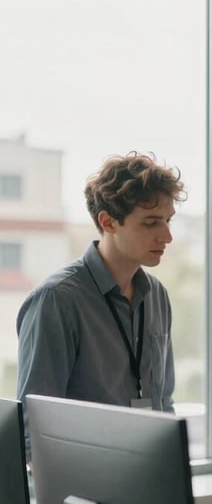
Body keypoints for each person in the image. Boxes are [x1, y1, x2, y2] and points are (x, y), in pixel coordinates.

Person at [17, 151, 184, 455]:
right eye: (151, 223)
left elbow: (164, 401)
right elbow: (34, 425)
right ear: (108, 221)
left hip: (149, 470)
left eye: (168, 220)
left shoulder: (157, 295)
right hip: (83, 476)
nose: (167, 236)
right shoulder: (58, 299)